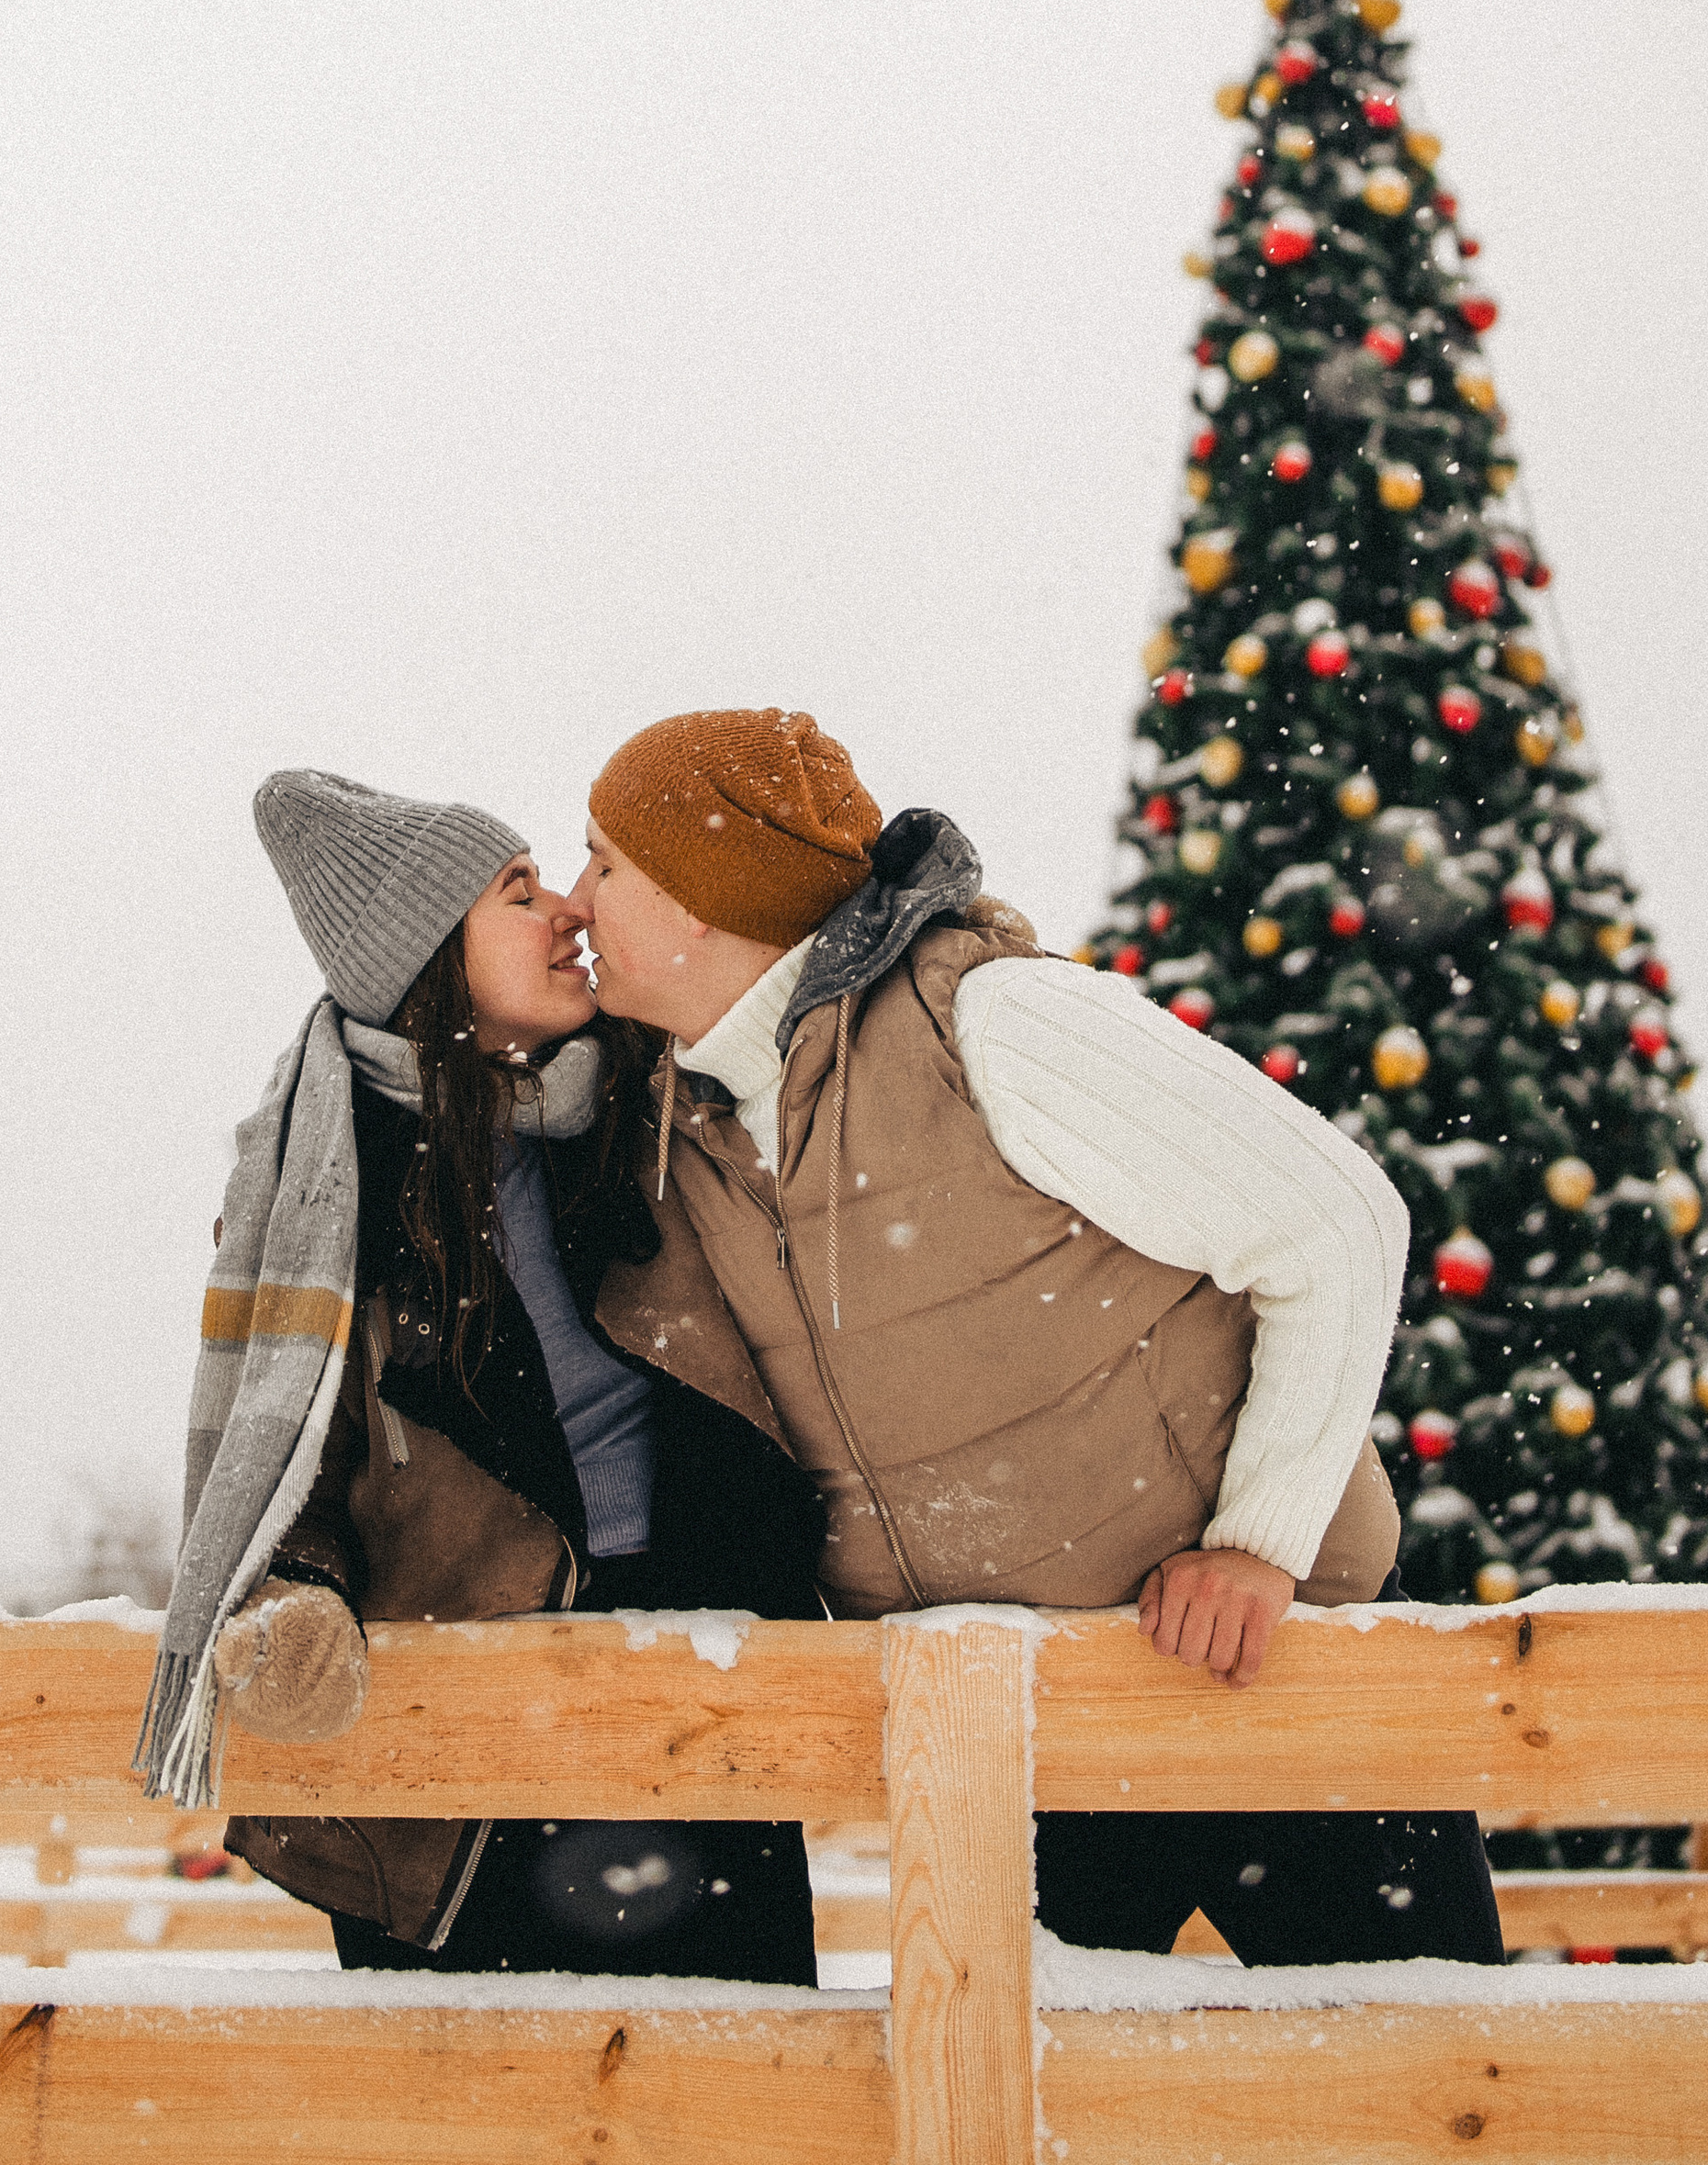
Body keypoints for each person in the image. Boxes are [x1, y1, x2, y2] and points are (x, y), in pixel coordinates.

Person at [567, 705, 1506, 1969]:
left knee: (1437, 2100)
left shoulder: (986, 1024)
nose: (577, 901)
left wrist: (1258, 1546)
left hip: (1267, 1679)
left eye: (604, 862)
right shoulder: (689, 1124)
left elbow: (1335, 1222)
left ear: (698, 895)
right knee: (1014, 2111)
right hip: (1024, 1722)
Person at [139, 768, 827, 1980]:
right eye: (518, 892)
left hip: (694, 1688)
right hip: (456, 1747)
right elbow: (302, 1442)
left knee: (745, 2102)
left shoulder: (659, 1111)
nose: (568, 907)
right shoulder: (329, 1193)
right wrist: (291, 1597)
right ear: (430, 960)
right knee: (481, 2111)